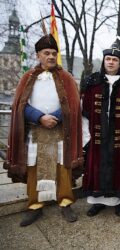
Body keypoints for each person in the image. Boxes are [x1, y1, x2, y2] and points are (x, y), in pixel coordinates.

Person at [4, 34, 83, 226]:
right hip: (35, 132)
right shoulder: (27, 77)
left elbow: (72, 104)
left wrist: (54, 117)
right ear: (38, 55)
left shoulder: (66, 77)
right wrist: (40, 117)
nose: (50, 57)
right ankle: (34, 206)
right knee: (34, 168)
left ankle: (65, 203)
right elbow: (20, 105)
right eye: (46, 53)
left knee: (62, 168)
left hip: (59, 130)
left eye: (54, 53)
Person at [81, 40, 120, 217]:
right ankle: (97, 202)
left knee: (119, 171)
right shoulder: (92, 83)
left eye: (115, 60)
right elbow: (84, 112)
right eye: (108, 59)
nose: (111, 62)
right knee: (96, 170)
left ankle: (118, 203)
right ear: (104, 61)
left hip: (119, 139)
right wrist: (86, 136)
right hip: (97, 137)